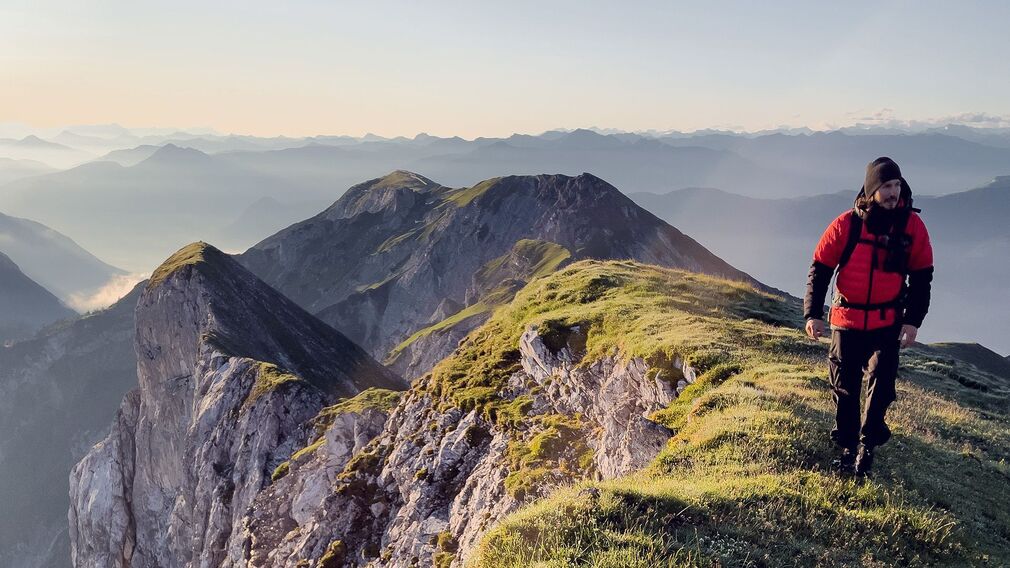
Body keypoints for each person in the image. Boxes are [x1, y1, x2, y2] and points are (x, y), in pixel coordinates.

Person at [803, 156, 934, 477]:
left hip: (887, 322)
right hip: (846, 322)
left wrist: (912, 321)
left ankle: (868, 445)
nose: (893, 192)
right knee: (845, 387)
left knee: (881, 385)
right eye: (887, 186)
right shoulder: (846, 225)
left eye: (897, 185)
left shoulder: (912, 227)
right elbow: (820, 270)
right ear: (872, 190)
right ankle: (848, 449)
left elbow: (922, 276)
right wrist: (812, 314)